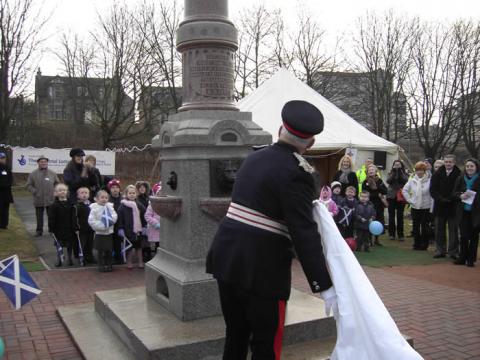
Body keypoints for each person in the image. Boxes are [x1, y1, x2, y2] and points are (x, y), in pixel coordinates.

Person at [206, 100, 336, 359]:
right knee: (266, 344)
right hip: (262, 270)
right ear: (310, 144)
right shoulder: (298, 173)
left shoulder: (253, 157)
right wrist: (323, 283)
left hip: (227, 258)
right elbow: (303, 232)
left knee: (235, 334)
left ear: (279, 130)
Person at [430, 154, 461, 259]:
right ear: (444, 162)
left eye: (450, 162)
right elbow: (433, 189)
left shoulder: (459, 174)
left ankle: (453, 251)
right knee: (439, 229)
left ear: (454, 162)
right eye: (446, 162)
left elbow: (460, 189)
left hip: (453, 206)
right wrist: (440, 199)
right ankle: (440, 250)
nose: (448, 164)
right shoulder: (437, 173)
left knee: (453, 230)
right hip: (440, 205)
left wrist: (452, 198)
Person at [453, 158, 480, 267]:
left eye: (471, 166)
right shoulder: (460, 178)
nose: (469, 168)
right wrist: (460, 195)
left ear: (476, 167)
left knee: (474, 236)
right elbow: (454, 193)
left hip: (476, 212)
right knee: (463, 235)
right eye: (468, 166)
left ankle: (471, 259)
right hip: (463, 211)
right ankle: (462, 257)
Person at [25, 156, 60, 237]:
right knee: (39, 216)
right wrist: (35, 191)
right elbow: (28, 185)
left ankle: (52, 231)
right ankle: (39, 231)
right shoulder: (33, 174)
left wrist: (56, 191)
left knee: (51, 216)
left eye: (45, 161)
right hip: (38, 198)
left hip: (50, 199)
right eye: (42, 162)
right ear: (38, 163)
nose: (43, 163)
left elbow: (58, 183)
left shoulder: (52, 173)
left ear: (47, 163)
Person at [402, 162, 433, 250]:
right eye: (417, 170)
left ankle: (424, 244)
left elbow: (431, 194)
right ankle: (416, 244)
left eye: (421, 170)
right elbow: (404, 190)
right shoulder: (412, 180)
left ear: (424, 171)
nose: (419, 172)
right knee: (415, 227)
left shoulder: (429, 180)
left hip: (426, 207)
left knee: (424, 227)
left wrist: (431, 207)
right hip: (415, 207)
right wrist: (410, 200)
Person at [117, 185, 147, 269]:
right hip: (128, 230)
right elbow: (120, 218)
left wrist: (144, 226)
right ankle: (129, 262)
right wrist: (120, 228)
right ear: (126, 194)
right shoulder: (122, 206)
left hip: (138, 230)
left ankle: (140, 261)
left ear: (136, 194)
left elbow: (144, 215)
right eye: (130, 193)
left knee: (139, 247)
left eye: (133, 193)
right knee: (130, 247)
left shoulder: (139, 205)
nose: (132, 194)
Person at [48, 183, 78, 267]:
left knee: (69, 244)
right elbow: (51, 218)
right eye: (60, 190)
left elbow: (74, 217)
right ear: (56, 193)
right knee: (59, 244)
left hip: (69, 228)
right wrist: (51, 229)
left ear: (67, 192)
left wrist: (75, 227)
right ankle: (59, 259)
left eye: (64, 190)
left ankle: (69, 258)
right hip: (58, 228)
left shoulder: (71, 204)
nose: (62, 192)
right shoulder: (53, 205)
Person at [88, 189, 117, 272]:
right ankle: (101, 265)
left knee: (109, 250)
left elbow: (114, 216)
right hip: (100, 233)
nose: (104, 199)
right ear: (96, 199)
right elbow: (91, 221)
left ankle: (109, 264)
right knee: (100, 251)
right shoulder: (94, 209)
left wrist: (109, 223)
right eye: (102, 197)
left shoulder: (110, 207)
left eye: (106, 197)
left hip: (109, 233)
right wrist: (102, 226)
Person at [362, 164, 387, 246]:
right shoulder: (365, 182)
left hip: (379, 205)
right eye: (369, 170)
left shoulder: (379, 181)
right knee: (370, 221)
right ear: (367, 172)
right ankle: (369, 240)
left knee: (379, 221)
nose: (371, 171)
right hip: (369, 205)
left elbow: (385, 191)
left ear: (376, 171)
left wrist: (377, 188)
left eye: (373, 170)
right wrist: (376, 194)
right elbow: (364, 192)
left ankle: (377, 239)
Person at [386, 160, 408, 241]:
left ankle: (400, 234)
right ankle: (391, 234)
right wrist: (394, 172)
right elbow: (388, 181)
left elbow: (405, 180)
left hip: (401, 196)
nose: (397, 166)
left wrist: (400, 172)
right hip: (391, 196)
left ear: (401, 165)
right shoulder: (390, 172)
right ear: (393, 165)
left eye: (399, 164)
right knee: (391, 215)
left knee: (400, 216)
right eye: (395, 164)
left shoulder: (404, 173)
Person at [74, 187, 96, 264]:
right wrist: (76, 227)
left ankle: (90, 257)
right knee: (82, 244)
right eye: (82, 193)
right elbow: (75, 218)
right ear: (78, 195)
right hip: (82, 229)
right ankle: (82, 257)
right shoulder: (77, 206)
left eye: (86, 193)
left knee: (90, 243)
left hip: (91, 228)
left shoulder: (92, 205)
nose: (84, 194)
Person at [108, 179, 123, 264]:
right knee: (111, 242)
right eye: (113, 187)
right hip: (111, 225)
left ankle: (119, 257)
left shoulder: (123, 199)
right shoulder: (108, 200)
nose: (115, 189)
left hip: (120, 224)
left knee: (118, 242)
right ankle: (110, 257)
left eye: (116, 187)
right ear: (110, 189)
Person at [136, 181, 152, 262]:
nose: (142, 189)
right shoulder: (137, 199)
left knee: (148, 238)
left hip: (148, 220)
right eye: (140, 188)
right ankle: (142, 254)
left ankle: (148, 253)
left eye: (143, 187)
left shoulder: (149, 198)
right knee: (142, 239)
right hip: (140, 220)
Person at [144, 182, 162, 256]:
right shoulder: (152, 204)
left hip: (164, 230)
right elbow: (147, 216)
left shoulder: (166, 203)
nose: (160, 194)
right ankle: (156, 257)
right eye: (159, 193)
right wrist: (156, 223)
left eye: (162, 192)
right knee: (157, 245)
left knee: (162, 245)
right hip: (156, 228)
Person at [0, 152, 13, 229]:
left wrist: (6, 184)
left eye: (3, 158)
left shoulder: (8, 168)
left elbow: (10, 180)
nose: (2, 160)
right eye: (1, 158)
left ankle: (4, 225)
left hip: (7, 194)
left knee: (5, 210)